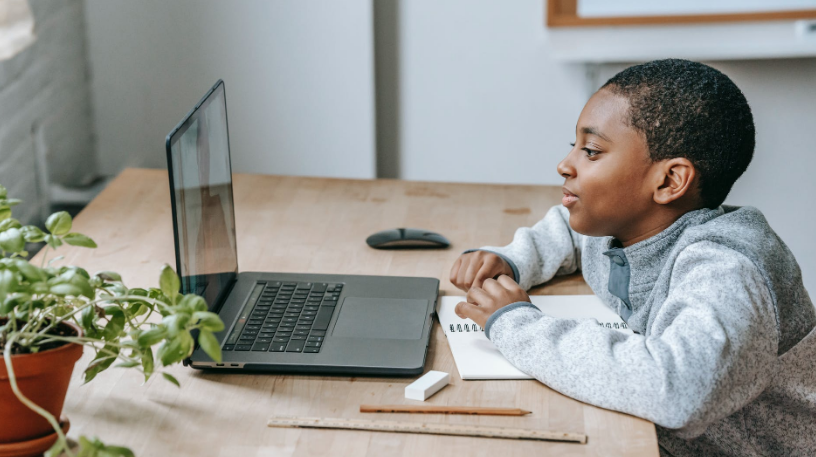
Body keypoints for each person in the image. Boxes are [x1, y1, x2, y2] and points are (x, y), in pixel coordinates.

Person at [449, 59, 816, 456]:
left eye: (590, 151)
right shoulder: (626, 225)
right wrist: (514, 260)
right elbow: (568, 232)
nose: (564, 164)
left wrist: (517, 324)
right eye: (572, 145)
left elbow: (677, 390)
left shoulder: (727, 271)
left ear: (669, 181)